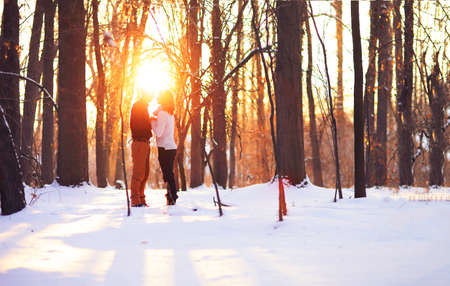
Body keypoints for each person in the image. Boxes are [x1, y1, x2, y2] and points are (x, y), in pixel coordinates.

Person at [151, 90, 178, 205]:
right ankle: (171, 196)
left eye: (159, 97)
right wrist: (157, 113)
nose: (157, 99)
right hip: (171, 147)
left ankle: (173, 196)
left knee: (167, 174)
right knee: (168, 173)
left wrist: (152, 121)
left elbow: (159, 133)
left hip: (164, 148)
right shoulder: (170, 113)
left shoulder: (162, 114)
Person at [129, 91, 153, 207]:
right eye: (151, 94)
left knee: (145, 173)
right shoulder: (138, 106)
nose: (153, 96)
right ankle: (135, 199)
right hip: (139, 142)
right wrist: (148, 125)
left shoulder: (144, 107)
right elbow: (137, 125)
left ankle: (141, 198)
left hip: (145, 142)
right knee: (138, 172)